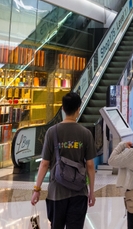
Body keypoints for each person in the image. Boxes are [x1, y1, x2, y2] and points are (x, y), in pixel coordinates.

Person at [31, 92, 96, 229]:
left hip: (56, 193)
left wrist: (37, 189)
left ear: (63, 109)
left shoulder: (52, 132)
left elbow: (44, 163)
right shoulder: (86, 133)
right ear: (78, 109)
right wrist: (91, 191)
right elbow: (90, 165)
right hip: (79, 192)